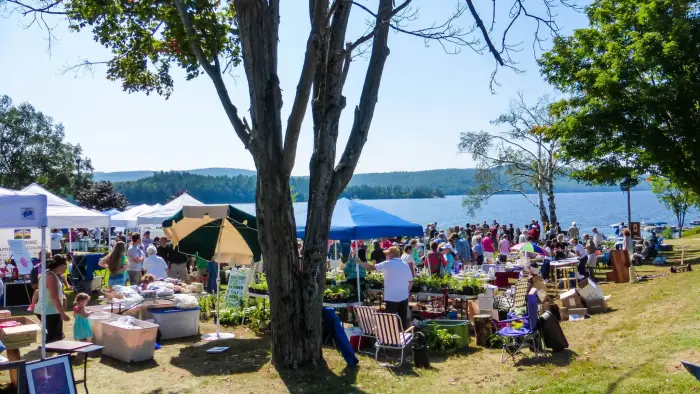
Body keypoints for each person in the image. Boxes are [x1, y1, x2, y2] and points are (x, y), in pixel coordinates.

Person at [358, 247, 413, 328]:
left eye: (387, 253)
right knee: (402, 321)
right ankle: (402, 337)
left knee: (391, 321)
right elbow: (411, 282)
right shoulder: (405, 265)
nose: (386, 255)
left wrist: (359, 262)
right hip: (403, 297)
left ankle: (392, 338)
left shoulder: (387, 263)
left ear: (392, 254)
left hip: (391, 297)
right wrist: (406, 292)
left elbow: (371, 267)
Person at [35, 255, 70, 343]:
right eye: (65, 266)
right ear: (59, 265)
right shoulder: (51, 276)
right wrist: (63, 314)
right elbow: (54, 297)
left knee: (57, 336)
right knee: (53, 338)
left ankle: (60, 354)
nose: (66, 268)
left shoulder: (48, 274)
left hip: (49, 310)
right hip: (50, 311)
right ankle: (49, 354)